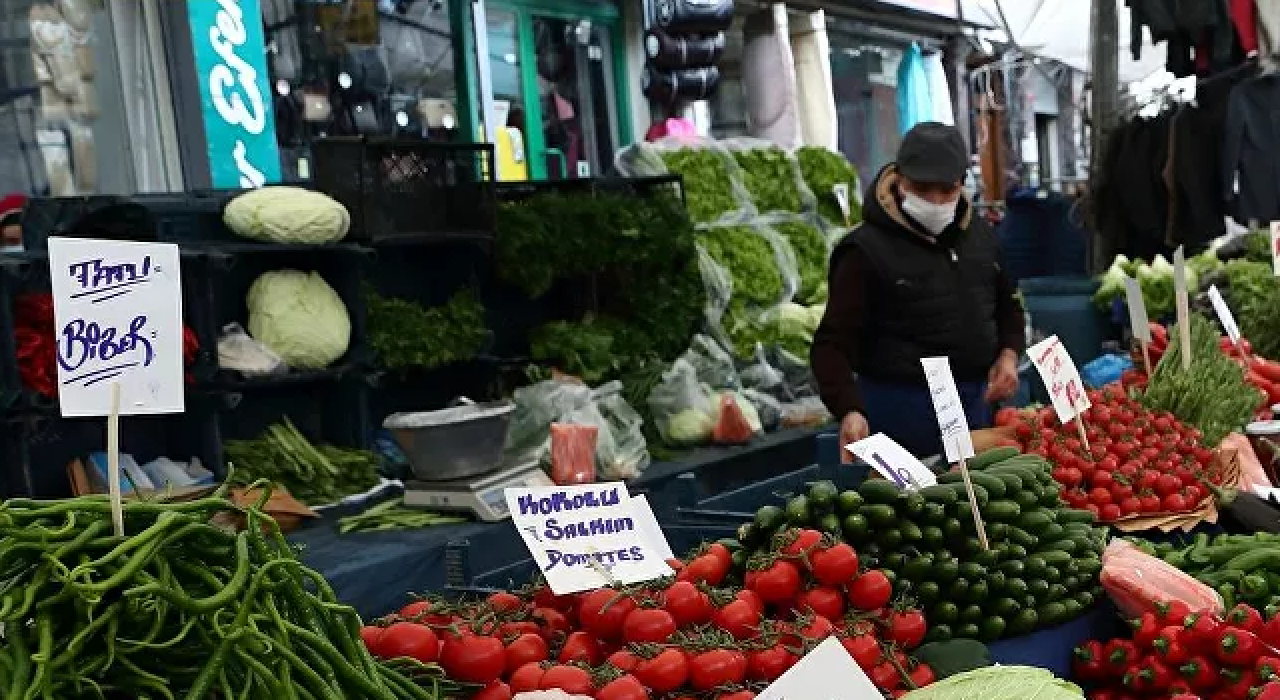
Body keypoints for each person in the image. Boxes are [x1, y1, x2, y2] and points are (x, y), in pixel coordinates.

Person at [811, 122, 1025, 460]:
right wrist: (849, 409)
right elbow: (831, 345)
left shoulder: (980, 236)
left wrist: (1009, 355)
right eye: (923, 188)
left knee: (979, 502)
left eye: (947, 189)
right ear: (899, 179)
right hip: (899, 410)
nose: (935, 200)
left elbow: (1009, 307)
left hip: (975, 405)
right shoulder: (863, 250)